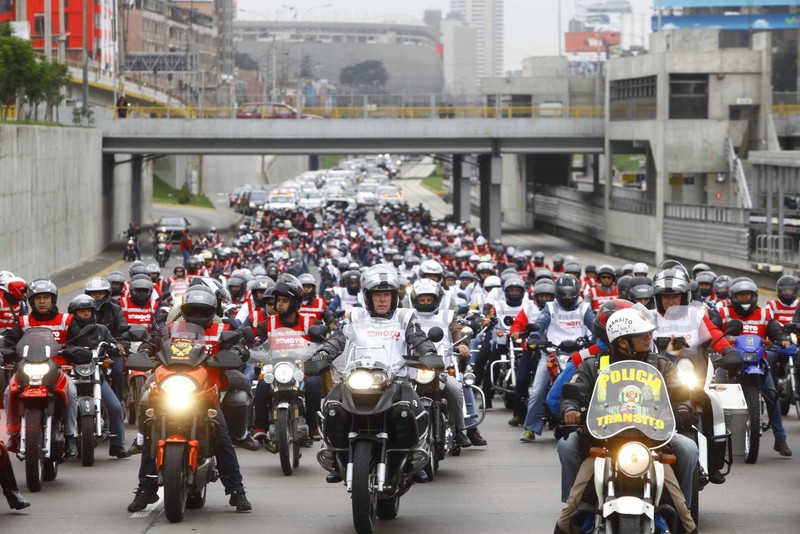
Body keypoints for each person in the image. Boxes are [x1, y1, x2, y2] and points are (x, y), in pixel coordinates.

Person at [554, 308, 699, 534]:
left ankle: (682, 511)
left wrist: (682, 409)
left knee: (689, 448)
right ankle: (577, 509)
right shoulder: (594, 366)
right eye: (642, 335)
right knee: (567, 447)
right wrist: (571, 408)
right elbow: (571, 395)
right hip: (603, 441)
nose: (648, 338)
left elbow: (682, 397)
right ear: (622, 342)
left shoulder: (661, 365)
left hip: (653, 441)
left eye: (648, 333)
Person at [127, 286, 253, 513]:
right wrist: (145, 349)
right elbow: (155, 342)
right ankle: (146, 489)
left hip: (207, 388)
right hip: (172, 384)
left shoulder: (223, 328)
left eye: (200, 311)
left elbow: (237, 345)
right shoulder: (171, 329)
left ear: (212, 310)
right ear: (184, 310)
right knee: (151, 433)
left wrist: (237, 351)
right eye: (191, 311)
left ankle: (237, 490)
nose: (195, 316)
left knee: (222, 435)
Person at [311, 265, 438, 484]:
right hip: (356, 377)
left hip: (396, 380)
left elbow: (418, 338)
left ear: (394, 297)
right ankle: (336, 453)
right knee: (331, 405)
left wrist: (427, 352)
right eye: (377, 295)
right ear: (368, 297)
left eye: (386, 295)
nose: (382, 300)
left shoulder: (405, 317)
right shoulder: (356, 317)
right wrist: (323, 352)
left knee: (415, 408)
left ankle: (413, 456)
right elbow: (339, 338)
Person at [2, 279, 80, 458]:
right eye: (38, 298)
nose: (42, 301)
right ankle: (14, 434)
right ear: (31, 301)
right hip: (26, 371)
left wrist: (76, 352)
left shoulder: (67, 320)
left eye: (46, 297)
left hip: (59, 370)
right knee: (8, 393)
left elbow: (78, 342)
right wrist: (6, 352)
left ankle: (70, 436)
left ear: (53, 300)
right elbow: (9, 342)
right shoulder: (22, 321)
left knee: (73, 392)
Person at [716, 277, 792, 457]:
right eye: (741, 295)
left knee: (772, 395)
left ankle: (780, 439)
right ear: (733, 296)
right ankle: (713, 439)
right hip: (730, 363)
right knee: (714, 396)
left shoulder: (764, 314)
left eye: (747, 295)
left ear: (754, 296)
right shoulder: (723, 312)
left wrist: (782, 339)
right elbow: (714, 327)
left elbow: (774, 330)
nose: (744, 299)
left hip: (758, 363)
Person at [521, 274, 594, 442]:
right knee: (537, 390)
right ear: (558, 294)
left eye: (571, 295)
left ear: (577, 293)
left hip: (579, 355)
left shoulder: (585, 308)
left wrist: (595, 341)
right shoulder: (549, 307)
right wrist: (534, 336)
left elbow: (595, 327)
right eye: (564, 295)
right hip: (551, 354)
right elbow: (539, 325)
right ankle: (530, 428)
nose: (567, 298)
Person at [251, 275, 321, 444]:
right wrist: (252, 349)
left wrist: (322, 350)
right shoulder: (267, 324)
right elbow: (257, 345)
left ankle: (313, 424)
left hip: (301, 372)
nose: (279, 304)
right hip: (274, 371)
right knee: (261, 385)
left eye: (284, 300)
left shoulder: (310, 323)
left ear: (295, 303)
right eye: (277, 300)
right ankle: (260, 427)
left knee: (314, 383)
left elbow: (321, 343)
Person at [408, 279, 475, 449]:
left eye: (428, 300)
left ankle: (459, 429)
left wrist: (462, 344)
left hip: (441, 369)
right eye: (421, 300)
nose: (425, 303)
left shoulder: (447, 316)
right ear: (415, 300)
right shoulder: (407, 316)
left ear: (436, 299)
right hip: (412, 370)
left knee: (455, 388)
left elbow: (457, 332)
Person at [64, 295, 129, 458]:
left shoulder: (102, 329)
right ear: (74, 313)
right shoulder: (68, 330)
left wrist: (118, 347)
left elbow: (113, 342)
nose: (85, 314)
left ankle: (117, 445)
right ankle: (61, 440)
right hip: (72, 375)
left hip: (96, 375)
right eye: (81, 311)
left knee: (115, 407)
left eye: (88, 311)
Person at [508, 278, 555, 428]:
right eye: (542, 296)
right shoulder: (528, 308)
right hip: (531, 350)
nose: (545, 299)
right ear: (536, 296)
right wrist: (515, 332)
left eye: (548, 296)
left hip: (552, 351)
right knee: (521, 380)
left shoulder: (556, 309)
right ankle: (519, 414)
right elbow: (517, 324)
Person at [85, 277, 129, 403]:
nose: (98, 295)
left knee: (117, 373)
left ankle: (118, 401)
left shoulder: (115, 309)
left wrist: (121, 344)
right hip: (88, 352)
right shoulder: (83, 310)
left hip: (111, 350)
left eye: (101, 292)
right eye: (94, 292)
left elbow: (123, 329)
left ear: (107, 293)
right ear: (89, 294)